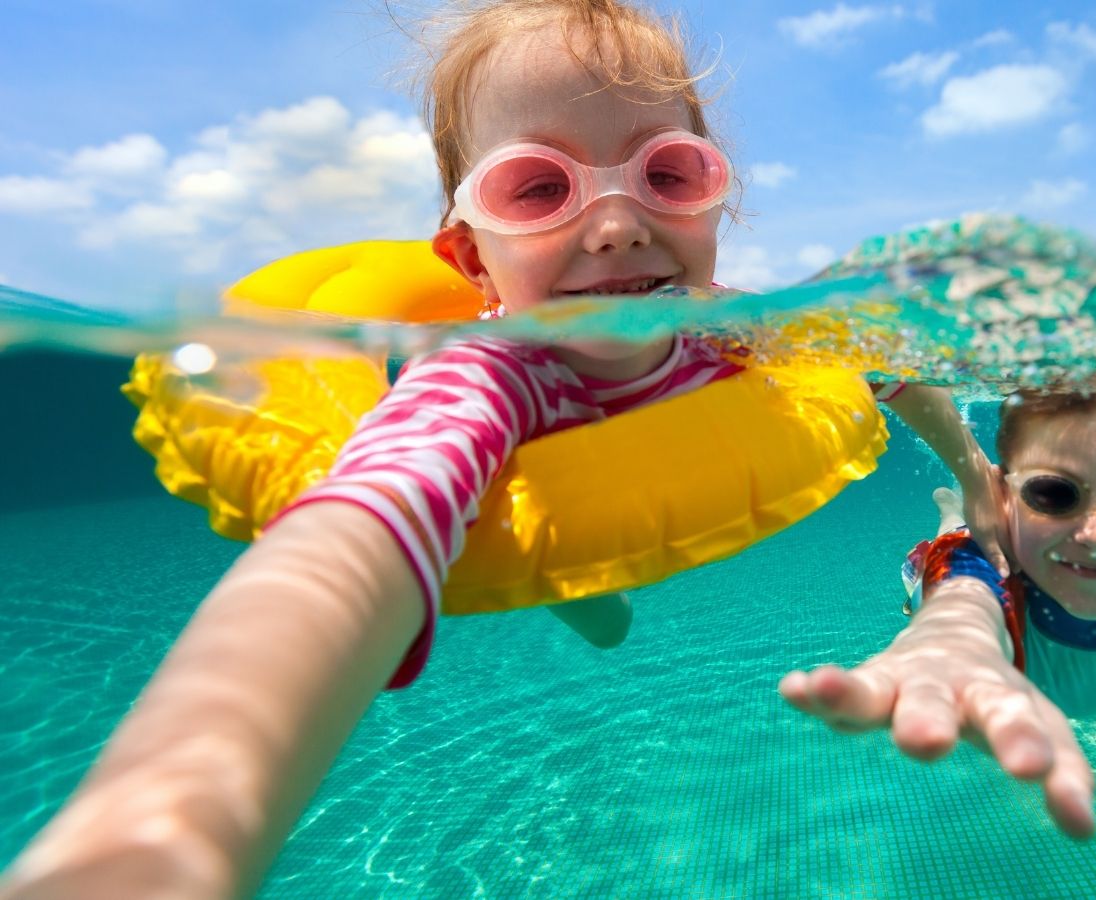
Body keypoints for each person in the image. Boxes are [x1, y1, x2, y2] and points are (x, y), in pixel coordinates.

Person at [0, 3, 997, 896]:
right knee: (572, 584)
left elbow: (889, 374)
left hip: (645, 464)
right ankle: (576, 584)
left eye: (667, 173)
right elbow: (363, 522)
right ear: (472, 256)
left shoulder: (742, 328)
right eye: (537, 188)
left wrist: (970, 475)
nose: (616, 224)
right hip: (533, 489)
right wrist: (157, 833)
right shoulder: (482, 375)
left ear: (715, 204)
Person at [780, 386, 1096, 840]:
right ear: (1005, 497)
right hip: (955, 557)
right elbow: (962, 606)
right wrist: (949, 643)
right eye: (1053, 493)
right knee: (950, 546)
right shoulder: (976, 563)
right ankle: (952, 512)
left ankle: (963, 510)